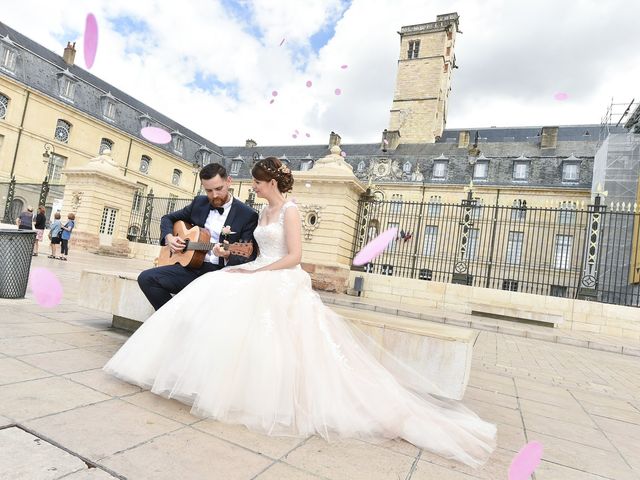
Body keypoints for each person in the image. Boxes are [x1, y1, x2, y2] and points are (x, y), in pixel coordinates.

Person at [104, 157, 496, 468]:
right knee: (213, 285)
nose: (252, 188)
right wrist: (235, 259)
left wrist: (254, 270)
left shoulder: (290, 210)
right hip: (259, 269)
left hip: (282, 277)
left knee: (229, 290)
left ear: (270, 183)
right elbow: (251, 249)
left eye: (256, 182)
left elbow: (294, 257)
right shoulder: (263, 213)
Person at [137, 162, 258, 310]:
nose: (214, 195)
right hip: (190, 268)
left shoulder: (247, 214)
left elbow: (247, 256)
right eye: (208, 190)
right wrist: (169, 237)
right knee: (146, 278)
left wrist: (227, 255)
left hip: (218, 272)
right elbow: (167, 218)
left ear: (228, 181)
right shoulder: (199, 203)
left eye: (219, 189)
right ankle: (171, 319)